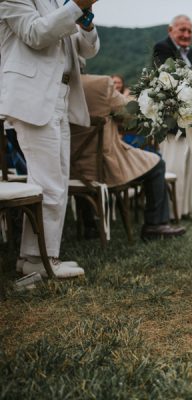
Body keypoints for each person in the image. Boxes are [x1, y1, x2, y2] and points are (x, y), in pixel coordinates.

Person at [0, 0, 100, 278]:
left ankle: (38, 257)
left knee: (56, 181)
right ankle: (38, 261)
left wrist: (87, 21)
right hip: (32, 95)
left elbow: (87, 50)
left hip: (61, 96)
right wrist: (75, 6)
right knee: (47, 182)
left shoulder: (59, 2)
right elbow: (36, 33)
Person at [71, 74, 186, 241]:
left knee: (86, 170)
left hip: (70, 168)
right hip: (105, 165)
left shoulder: (59, 81)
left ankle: (90, 226)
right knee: (157, 164)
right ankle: (154, 225)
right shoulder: (100, 84)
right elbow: (128, 113)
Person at [153, 15, 192, 220]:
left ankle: (184, 210)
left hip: (191, 118)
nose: (186, 35)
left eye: (189, 31)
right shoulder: (162, 48)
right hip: (172, 119)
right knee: (173, 165)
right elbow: (172, 75)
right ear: (170, 30)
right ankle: (170, 213)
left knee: (189, 165)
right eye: (182, 30)